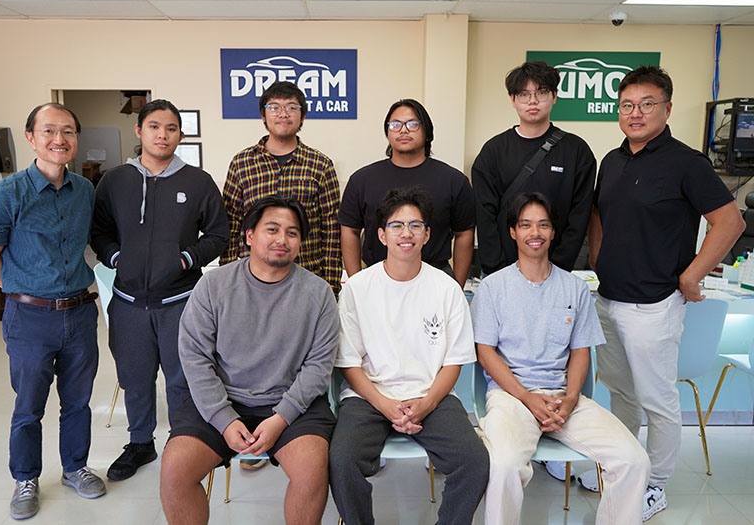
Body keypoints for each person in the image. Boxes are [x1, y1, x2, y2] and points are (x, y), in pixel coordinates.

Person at [586, 66, 745, 521]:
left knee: (657, 401)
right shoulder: (612, 161)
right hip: (609, 300)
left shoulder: (686, 162)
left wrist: (692, 276)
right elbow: (599, 214)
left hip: (653, 305)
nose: (635, 114)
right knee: (620, 394)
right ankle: (624, 472)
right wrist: (598, 259)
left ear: (667, 108)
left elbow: (730, 221)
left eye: (647, 104)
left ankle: (654, 485)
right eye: (627, 105)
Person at [471, 192, 650, 525]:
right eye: (525, 225)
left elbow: (581, 352)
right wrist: (526, 397)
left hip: (565, 399)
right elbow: (485, 353)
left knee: (633, 460)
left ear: (553, 232)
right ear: (513, 232)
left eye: (543, 224)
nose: (534, 232)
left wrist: (569, 400)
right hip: (512, 396)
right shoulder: (493, 287)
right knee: (505, 464)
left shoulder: (575, 288)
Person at [160, 195, 339, 525]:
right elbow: (195, 356)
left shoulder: (318, 293)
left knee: (312, 471)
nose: (281, 240)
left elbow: (319, 367)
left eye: (292, 233)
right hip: (223, 400)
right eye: (272, 229)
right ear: (249, 235)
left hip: (291, 405)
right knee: (175, 471)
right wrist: (224, 419)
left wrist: (280, 418)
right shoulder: (214, 285)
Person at [0, 103, 105, 520]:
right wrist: (25, 295)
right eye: (49, 131)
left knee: (78, 401)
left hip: (80, 313)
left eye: (67, 131)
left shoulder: (85, 191)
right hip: (29, 317)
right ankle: (25, 477)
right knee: (29, 405)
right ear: (31, 138)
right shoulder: (6, 193)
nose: (59, 139)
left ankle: (75, 468)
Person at [330, 186, 489, 525]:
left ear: (428, 234)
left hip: (431, 394)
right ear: (381, 235)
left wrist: (428, 402)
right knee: (341, 461)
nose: (406, 233)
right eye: (397, 225)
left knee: (474, 461)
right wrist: (385, 404)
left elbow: (453, 361)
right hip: (367, 395)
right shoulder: (357, 288)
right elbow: (349, 363)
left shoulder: (446, 289)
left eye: (416, 225)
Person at [91, 99, 229, 482]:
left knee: (184, 377)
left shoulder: (198, 182)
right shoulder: (115, 180)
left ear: (179, 135)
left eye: (170, 128)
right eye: (154, 127)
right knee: (134, 376)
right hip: (129, 303)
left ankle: (185, 440)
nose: (162, 134)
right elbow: (98, 231)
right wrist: (116, 258)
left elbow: (219, 234)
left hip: (181, 301)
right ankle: (139, 443)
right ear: (139, 131)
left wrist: (187, 259)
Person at [472, 60, 596, 277]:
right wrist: (497, 269)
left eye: (541, 92)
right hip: (501, 272)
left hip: (556, 272)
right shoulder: (493, 151)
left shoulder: (577, 151)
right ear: (512, 99)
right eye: (523, 94)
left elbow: (579, 217)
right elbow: (485, 215)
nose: (533, 101)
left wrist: (557, 268)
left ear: (555, 96)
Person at [221, 81, 341, 297]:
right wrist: (228, 278)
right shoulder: (242, 163)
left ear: (302, 116)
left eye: (292, 107)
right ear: (263, 115)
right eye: (274, 107)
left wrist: (330, 286)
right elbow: (231, 223)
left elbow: (331, 228)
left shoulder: (321, 165)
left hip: (306, 277)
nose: (283, 114)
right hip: (251, 280)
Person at [339, 99, 475, 288]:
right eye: (395, 124)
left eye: (412, 124)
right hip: (377, 279)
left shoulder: (453, 180)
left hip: (435, 280)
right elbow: (350, 230)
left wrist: (456, 287)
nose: (403, 130)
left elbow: (464, 234)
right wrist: (356, 284)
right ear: (387, 131)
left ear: (427, 131)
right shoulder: (362, 180)